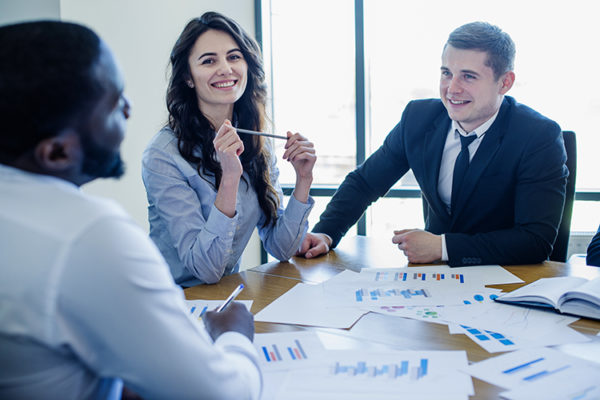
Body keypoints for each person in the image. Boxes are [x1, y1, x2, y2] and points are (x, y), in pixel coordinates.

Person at [0, 20, 261, 399]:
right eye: (113, 103)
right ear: (57, 152)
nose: (129, 109)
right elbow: (223, 394)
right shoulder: (90, 236)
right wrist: (235, 335)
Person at [298, 21, 568, 267]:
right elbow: (365, 183)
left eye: (468, 76)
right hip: (434, 282)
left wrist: (442, 247)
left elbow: (535, 240)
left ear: (505, 83)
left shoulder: (538, 136)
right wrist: (327, 232)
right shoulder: (419, 119)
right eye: (446, 73)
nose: (452, 88)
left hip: (510, 283)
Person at [142, 12, 316, 287]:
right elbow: (207, 270)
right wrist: (230, 178)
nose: (225, 68)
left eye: (234, 57)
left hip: (224, 298)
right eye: (209, 60)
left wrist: (303, 181)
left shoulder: (257, 140)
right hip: (175, 301)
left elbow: (282, 248)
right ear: (188, 77)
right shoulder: (162, 155)